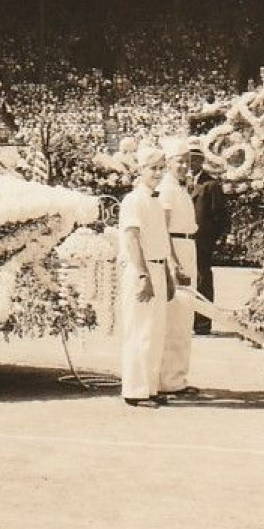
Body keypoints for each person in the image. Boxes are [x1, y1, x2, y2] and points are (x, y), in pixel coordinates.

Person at [116, 144, 177, 407]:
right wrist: (144, 275)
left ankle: (150, 387)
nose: (158, 173)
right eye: (153, 169)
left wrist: (166, 274)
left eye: (161, 168)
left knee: (155, 331)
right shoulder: (133, 200)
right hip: (141, 270)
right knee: (140, 331)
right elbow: (132, 240)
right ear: (140, 171)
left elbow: (160, 241)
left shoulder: (156, 199)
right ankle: (135, 390)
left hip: (158, 268)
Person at [157, 137, 200, 397]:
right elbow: (162, 228)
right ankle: (167, 381)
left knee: (185, 319)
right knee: (174, 318)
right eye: (179, 161)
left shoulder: (182, 188)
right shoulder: (167, 189)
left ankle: (178, 378)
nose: (184, 166)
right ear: (168, 163)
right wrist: (173, 262)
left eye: (187, 161)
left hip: (188, 246)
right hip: (176, 249)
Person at [187, 144, 228, 336]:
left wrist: (212, 239)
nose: (190, 164)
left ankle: (203, 323)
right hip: (181, 240)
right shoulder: (178, 183)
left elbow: (220, 215)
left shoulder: (210, 185)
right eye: (187, 159)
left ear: (202, 161)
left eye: (194, 159)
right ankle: (184, 321)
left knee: (202, 279)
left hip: (201, 241)